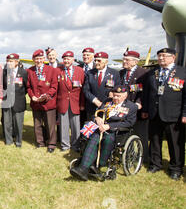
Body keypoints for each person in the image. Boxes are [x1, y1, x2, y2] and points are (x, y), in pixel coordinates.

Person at [70, 85, 138, 181]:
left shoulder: (131, 106)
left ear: (125, 96)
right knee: (94, 139)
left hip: (116, 132)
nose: (115, 98)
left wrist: (109, 126)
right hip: (101, 128)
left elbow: (129, 123)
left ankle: (99, 164)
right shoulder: (107, 101)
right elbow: (97, 113)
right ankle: (83, 168)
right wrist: (97, 119)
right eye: (114, 95)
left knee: (107, 139)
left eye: (118, 96)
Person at [142, 48, 186, 180]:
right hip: (155, 113)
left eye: (164, 56)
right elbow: (146, 93)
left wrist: (185, 113)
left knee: (175, 143)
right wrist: (145, 110)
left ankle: (176, 168)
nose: (161, 59)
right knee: (155, 140)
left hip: (174, 114)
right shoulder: (152, 73)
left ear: (173, 57)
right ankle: (155, 164)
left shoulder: (182, 72)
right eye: (159, 56)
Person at [118, 50, 149, 164]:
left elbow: (146, 91)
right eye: (124, 59)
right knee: (126, 133)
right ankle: (128, 155)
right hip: (124, 109)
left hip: (138, 109)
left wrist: (140, 103)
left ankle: (143, 158)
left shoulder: (144, 73)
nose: (124, 61)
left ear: (135, 62)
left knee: (140, 134)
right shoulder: (121, 73)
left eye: (127, 60)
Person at [27, 49, 58, 152]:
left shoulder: (52, 70)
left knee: (50, 125)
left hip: (48, 102)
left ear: (44, 59)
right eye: (36, 59)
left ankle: (51, 144)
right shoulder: (30, 71)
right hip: (36, 103)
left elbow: (54, 87)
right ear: (33, 60)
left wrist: (47, 95)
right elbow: (28, 87)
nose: (39, 61)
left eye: (40, 58)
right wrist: (32, 96)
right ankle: (40, 142)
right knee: (37, 124)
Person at [56, 51, 85, 152]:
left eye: (69, 59)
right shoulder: (58, 70)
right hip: (62, 102)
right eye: (65, 59)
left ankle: (75, 145)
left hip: (75, 102)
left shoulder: (80, 71)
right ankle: (65, 145)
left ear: (73, 59)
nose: (66, 61)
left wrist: (82, 104)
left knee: (75, 125)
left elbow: (83, 90)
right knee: (63, 125)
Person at [83, 52, 119, 121]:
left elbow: (117, 89)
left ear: (106, 62)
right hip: (92, 107)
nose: (96, 62)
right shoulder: (90, 73)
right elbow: (86, 90)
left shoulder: (114, 73)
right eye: (95, 60)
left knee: (105, 129)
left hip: (108, 107)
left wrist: (113, 94)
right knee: (92, 130)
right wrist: (95, 100)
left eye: (99, 60)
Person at [2, 53, 28, 147]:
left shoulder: (23, 72)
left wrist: (18, 95)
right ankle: (8, 141)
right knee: (7, 122)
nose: (9, 63)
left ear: (17, 62)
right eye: (8, 61)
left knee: (18, 123)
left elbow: (26, 87)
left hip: (19, 101)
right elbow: (2, 86)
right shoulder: (4, 72)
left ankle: (18, 141)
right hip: (6, 101)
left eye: (11, 61)